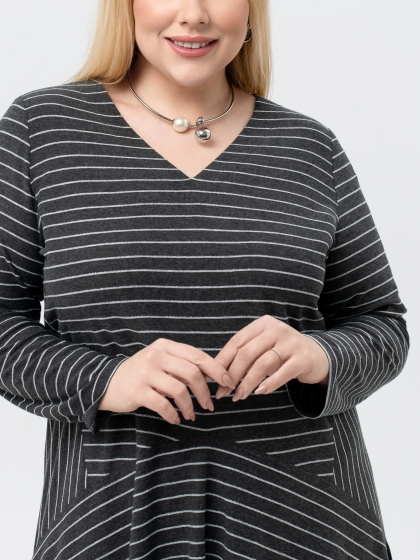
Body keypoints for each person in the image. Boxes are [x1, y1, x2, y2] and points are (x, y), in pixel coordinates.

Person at [0, 0, 409, 558]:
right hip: (114, 515)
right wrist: (106, 378)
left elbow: (382, 324)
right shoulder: (41, 129)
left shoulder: (310, 147)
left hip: (308, 521)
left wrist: (318, 355)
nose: (193, 14)